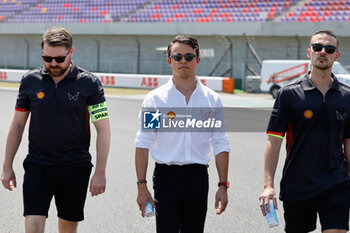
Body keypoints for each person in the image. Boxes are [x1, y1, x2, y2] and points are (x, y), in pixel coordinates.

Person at [1, 27, 111, 233]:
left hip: (75, 167)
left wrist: (100, 172)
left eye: (59, 59)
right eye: (47, 58)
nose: (53, 64)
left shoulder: (89, 83)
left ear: (71, 52)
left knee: (67, 228)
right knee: (32, 226)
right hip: (38, 165)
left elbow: (103, 128)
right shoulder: (29, 81)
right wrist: (7, 166)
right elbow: (17, 125)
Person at [135, 35, 230, 233]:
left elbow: (220, 143)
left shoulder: (211, 100)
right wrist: (141, 187)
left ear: (197, 59)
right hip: (166, 176)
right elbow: (143, 143)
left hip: (198, 177)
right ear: (169, 61)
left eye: (189, 56)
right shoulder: (156, 100)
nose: (183, 61)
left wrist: (223, 185)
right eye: (177, 57)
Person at [259, 30, 350, 233]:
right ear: (309, 52)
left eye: (329, 48)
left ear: (337, 55)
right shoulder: (288, 94)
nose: (322, 52)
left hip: (337, 183)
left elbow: (349, 143)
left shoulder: (347, 97)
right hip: (298, 184)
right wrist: (268, 185)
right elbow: (273, 141)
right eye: (317, 47)